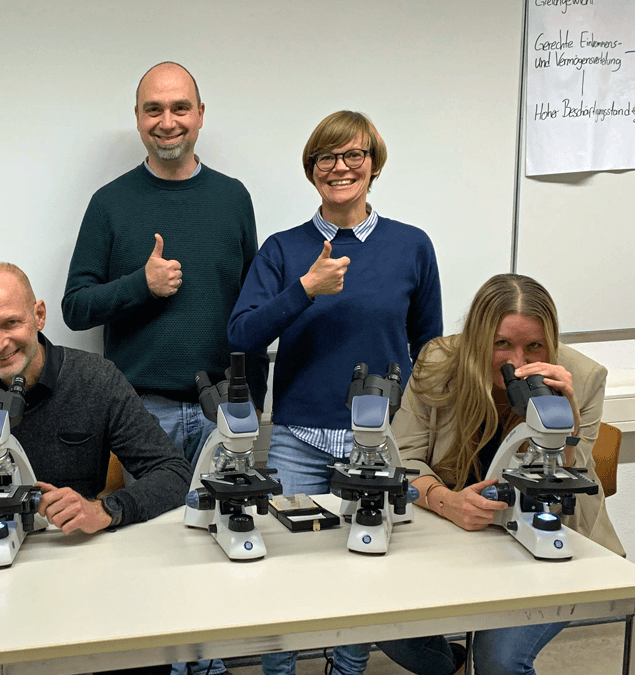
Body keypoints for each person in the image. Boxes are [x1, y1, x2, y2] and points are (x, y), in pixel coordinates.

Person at [227, 110, 443, 675]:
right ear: (311, 169)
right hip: (298, 437)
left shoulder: (411, 246)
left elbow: (430, 348)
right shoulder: (283, 249)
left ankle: (346, 669)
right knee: (284, 567)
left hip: (378, 442)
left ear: (374, 165)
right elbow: (242, 334)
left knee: (363, 567)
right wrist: (304, 289)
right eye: (328, 157)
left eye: (355, 156)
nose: (341, 167)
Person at [374, 273, 624, 675]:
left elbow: (572, 485)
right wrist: (446, 500)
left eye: (535, 346)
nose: (517, 363)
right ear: (478, 338)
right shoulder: (439, 361)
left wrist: (566, 420)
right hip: (455, 536)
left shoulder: (584, 377)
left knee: (499, 660)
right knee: (381, 620)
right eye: (502, 344)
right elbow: (402, 459)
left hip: (549, 539)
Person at [62, 61, 269, 470]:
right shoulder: (109, 203)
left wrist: (255, 401)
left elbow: (254, 312)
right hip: (140, 415)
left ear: (200, 114)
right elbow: (75, 308)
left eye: (180, 108)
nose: (167, 122)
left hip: (226, 412)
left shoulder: (233, 199)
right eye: (153, 109)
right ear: (137, 118)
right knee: (150, 531)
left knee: (222, 526)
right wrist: (141, 285)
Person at [0, 261, 191, 545]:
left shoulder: (96, 379)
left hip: (71, 544)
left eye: (11, 322)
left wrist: (104, 511)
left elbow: (173, 473)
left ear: (39, 315)